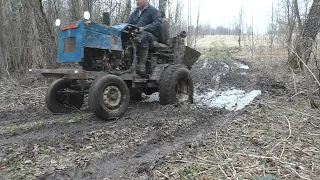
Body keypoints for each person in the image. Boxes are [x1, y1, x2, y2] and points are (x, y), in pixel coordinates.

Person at [126, 0, 162, 75]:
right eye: (136, 0)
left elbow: (158, 23)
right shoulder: (135, 13)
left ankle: (142, 65)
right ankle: (126, 64)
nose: (137, 2)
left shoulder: (152, 11)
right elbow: (127, 24)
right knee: (125, 38)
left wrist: (145, 28)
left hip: (151, 36)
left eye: (139, 0)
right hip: (137, 34)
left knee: (143, 36)